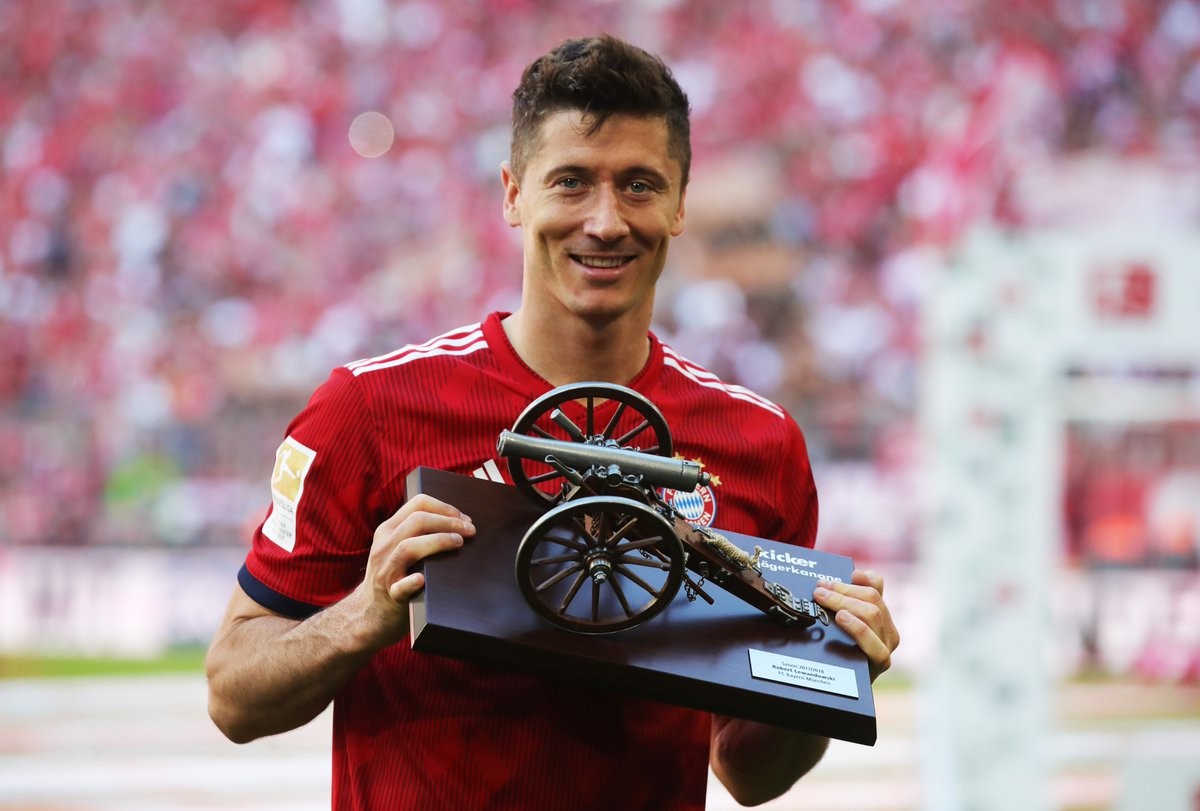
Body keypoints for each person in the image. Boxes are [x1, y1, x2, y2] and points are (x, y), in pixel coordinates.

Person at [205, 33, 900, 810]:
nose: (605, 221)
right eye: (571, 182)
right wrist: (363, 617)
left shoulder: (759, 443)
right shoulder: (367, 408)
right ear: (513, 194)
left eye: (639, 185)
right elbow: (233, 695)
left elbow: (746, 771)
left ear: (679, 204)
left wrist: (831, 674)